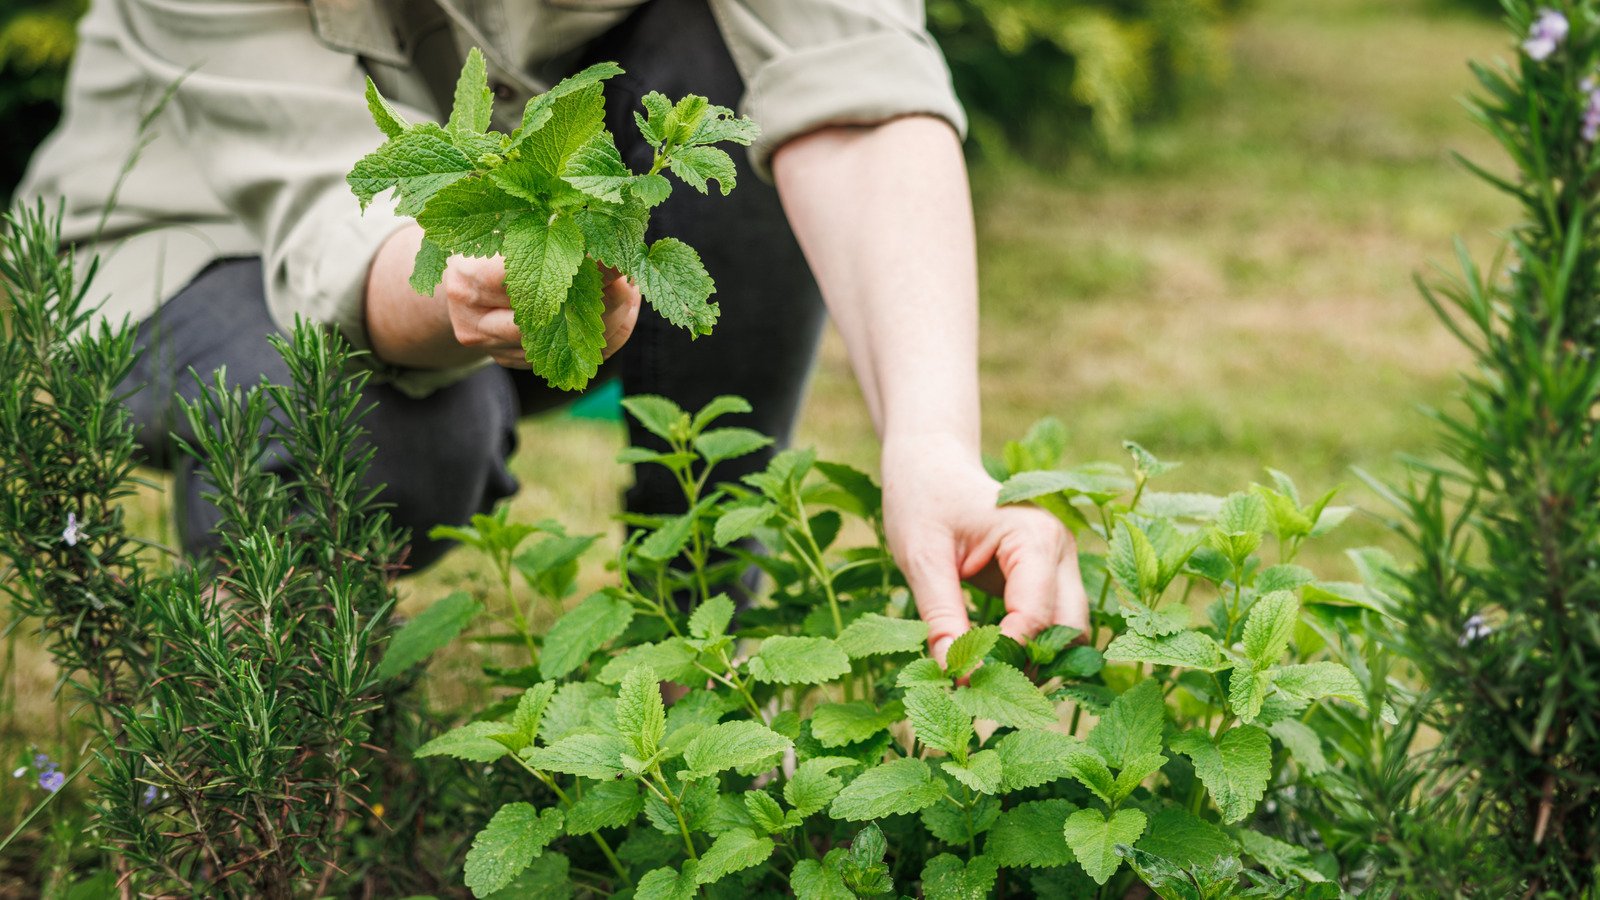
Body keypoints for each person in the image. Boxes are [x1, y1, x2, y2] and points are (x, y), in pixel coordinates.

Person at [19, 0, 1087, 663]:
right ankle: (270, 701)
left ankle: (700, 625)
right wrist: (482, 287)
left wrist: (934, 443)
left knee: (731, 84)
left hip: (536, 257)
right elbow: (334, 226)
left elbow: (853, 85)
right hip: (192, 247)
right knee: (392, 452)